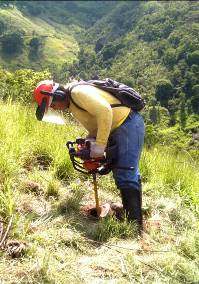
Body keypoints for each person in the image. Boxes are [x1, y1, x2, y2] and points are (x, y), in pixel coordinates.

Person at [33, 79, 145, 231]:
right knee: (122, 172)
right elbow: (96, 124)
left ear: (58, 95)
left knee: (126, 170)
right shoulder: (73, 105)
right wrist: (90, 140)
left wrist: (99, 145)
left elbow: (105, 110)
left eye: (53, 104)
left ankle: (134, 226)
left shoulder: (77, 93)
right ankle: (130, 211)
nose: (55, 108)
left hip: (127, 123)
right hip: (118, 127)